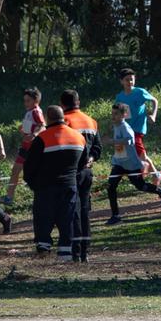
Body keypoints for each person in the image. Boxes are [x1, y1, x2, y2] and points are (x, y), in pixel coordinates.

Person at [21, 105, 85, 256]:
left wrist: (33, 184)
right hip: (69, 186)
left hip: (45, 187)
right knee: (67, 219)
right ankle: (65, 253)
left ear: (48, 119)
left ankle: (43, 249)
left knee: (44, 219)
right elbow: (82, 165)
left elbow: (29, 166)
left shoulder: (42, 138)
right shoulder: (79, 137)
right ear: (63, 118)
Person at [103, 101, 161, 223]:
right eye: (112, 113)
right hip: (119, 163)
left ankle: (160, 191)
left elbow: (129, 140)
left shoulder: (125, 127)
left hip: (131, 164)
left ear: (124, 115)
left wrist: (112, 141)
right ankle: (115, 216)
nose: (113, 116)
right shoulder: (116, 126)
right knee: (111, 186)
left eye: (116, 114)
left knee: (141, 186)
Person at [59, 90, 101, 263]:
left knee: (72, 210)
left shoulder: (66, 121)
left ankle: (74, 251)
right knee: (84, 210)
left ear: (62, 104)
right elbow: (98, 148)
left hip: (71, 172)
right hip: (87, 171)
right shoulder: (91, 121)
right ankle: (85, 251)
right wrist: (90, 160)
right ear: (78, 102)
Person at [113, 68, 159, 138]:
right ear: (121, 81)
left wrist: (153, 115)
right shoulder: (120, 97)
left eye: (131, 79)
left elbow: (154, 100)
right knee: (125, 148)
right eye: (127, 80)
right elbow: (118, 113)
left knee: (137, 147)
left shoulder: (140, 92)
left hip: (138, 129)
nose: (130, 82)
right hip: (125, 129)